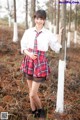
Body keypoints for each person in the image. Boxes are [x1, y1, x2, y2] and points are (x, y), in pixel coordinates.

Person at [20, 9, 62, 118]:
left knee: (33, 93)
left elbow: (56, 47)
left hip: (40, 62)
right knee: (30, 90)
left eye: (41, 19)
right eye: (37, 18)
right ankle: (34, 111)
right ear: (34, 19)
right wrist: (29, 54)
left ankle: (41, 109)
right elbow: (23, 47)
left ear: (44, 20)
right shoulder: (28, 31)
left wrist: (60, 37)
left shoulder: (48, 33)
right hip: (29, 60)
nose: (39, 21)